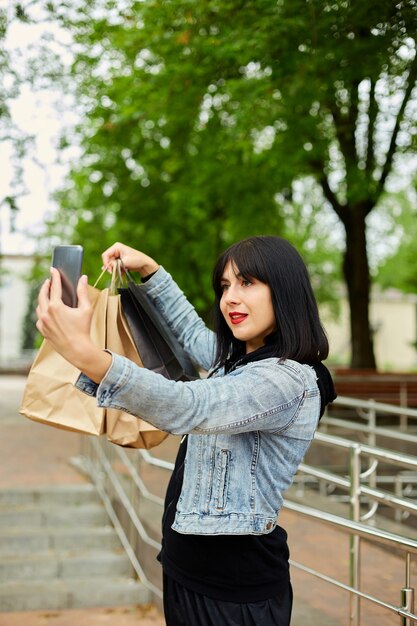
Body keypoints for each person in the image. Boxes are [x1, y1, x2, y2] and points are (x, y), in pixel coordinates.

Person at [36, 235, 336, 626]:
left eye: (247, 283)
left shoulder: (285, 380)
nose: (229, 298)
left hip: (234, 593)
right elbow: (191, 334)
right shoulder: (237, 363)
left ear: (285, 290)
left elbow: (189, 405)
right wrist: (150, 270)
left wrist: (87, 353)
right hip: (185, 570)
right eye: (225, 286)